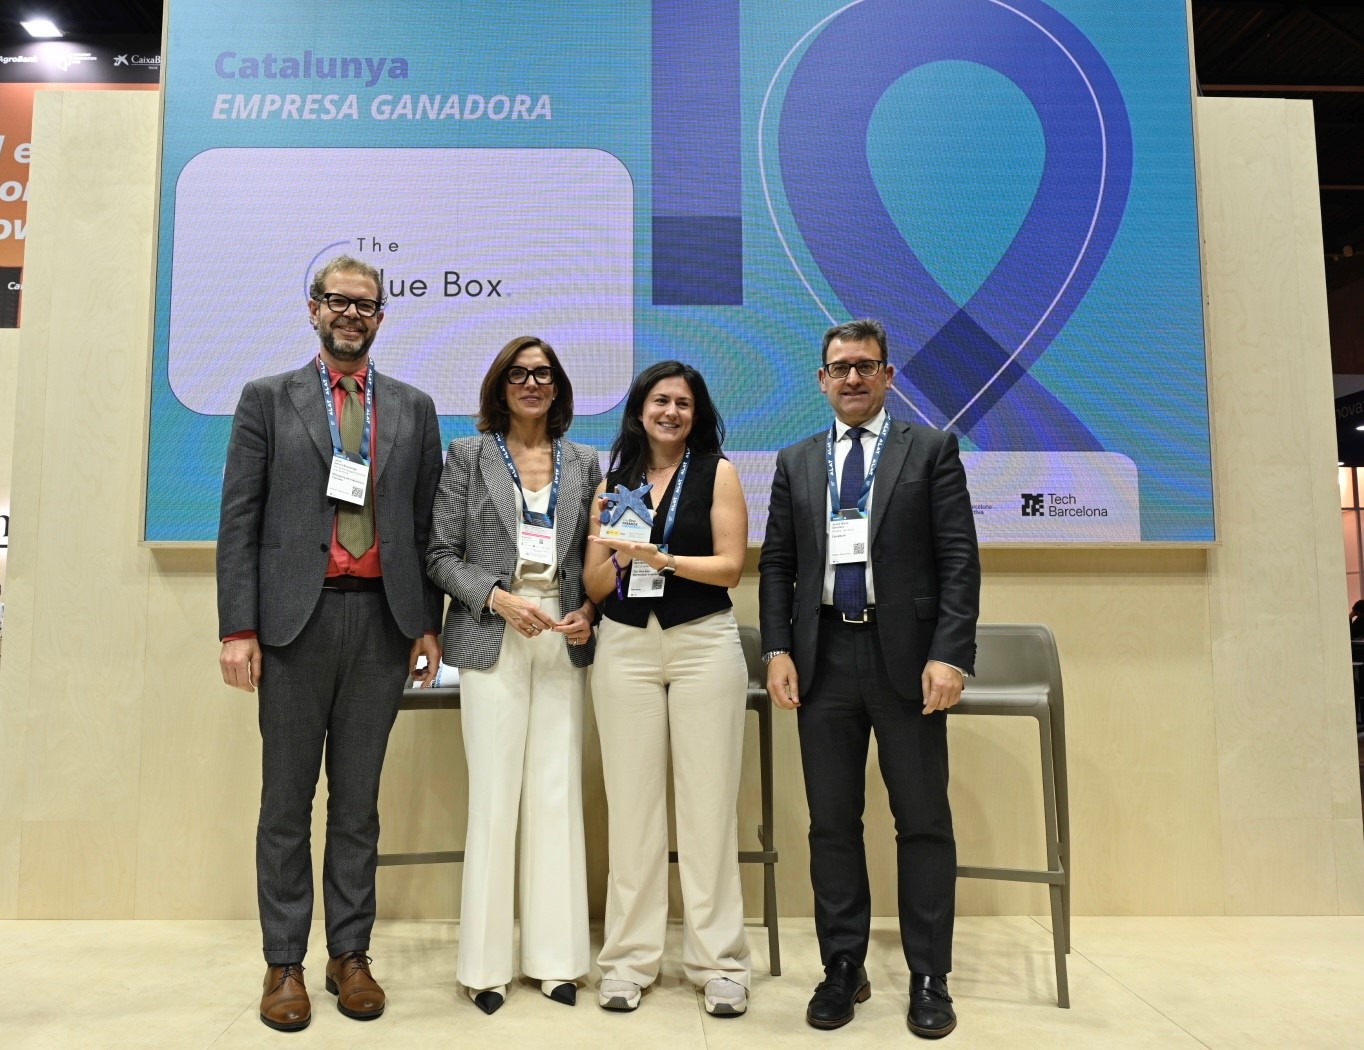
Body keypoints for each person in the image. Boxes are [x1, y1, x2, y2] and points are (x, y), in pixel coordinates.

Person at [217, 254, 444, 1032]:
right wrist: (237, 628)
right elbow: (240, 522)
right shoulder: (266, 400)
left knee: (357, 805)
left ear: (382, 317)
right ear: (312, 309)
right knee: (285, 803)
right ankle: (284, 963)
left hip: (381, 623)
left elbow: (423, 529)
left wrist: (426, 624)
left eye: (366, 304)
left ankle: (350, 956)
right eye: (337, 301)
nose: (352, 314)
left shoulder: (414, 408)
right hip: (291, 625)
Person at [758, 318, 980, 1040]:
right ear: (821, 381)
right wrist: (777, 650)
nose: (852, 378)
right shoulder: (795, 462)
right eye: (839, 368)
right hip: (822, 662)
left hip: (908, 663)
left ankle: (927, 977)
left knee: (921, 822)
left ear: (887, 375)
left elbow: (958, 560)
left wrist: (950, 655)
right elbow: (778, 566)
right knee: (831, 825)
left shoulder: (932, 450)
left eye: (866, 365)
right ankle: (843, 967)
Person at [425, 336, 600, 1013]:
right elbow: (440, 554)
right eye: (520, 374)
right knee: (496, 798)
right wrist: (496, 597)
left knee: (556, 794)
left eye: (544, 374)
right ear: (501, 387)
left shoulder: (585, 461)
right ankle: (486, 969)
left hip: (561, 632)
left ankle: (556, 961)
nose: (532, 384)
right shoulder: (468, 456)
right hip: (492, 629)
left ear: (557, 388)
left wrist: (588, 608)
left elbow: (598, 555)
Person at [584, 361, 752, 1016]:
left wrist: (666, 560)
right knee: (632, 810)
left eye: (684, 403)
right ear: (640, 409)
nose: (672, 412)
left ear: (697, 413)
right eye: (661, 400)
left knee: (708, 808)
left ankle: (719, 965)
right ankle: (628, 961)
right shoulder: (615, 484)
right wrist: (622, 559)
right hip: (624, 648)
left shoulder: (719, 473)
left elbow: (732, 567)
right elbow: (597, 586)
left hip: (702, 644)